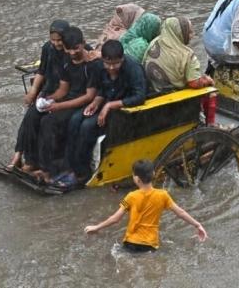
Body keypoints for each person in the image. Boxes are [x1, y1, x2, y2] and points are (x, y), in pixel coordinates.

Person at [58, 40, 147, 187]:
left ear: (122, 59)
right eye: (108, 64)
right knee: (75, 120)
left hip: (123, 110)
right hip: (106, 102)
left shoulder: (133, 68)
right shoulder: (99, 66)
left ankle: (83, 173)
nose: (111, 68)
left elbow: (140, 96)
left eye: (116, 64)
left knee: (87, 126)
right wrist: (96, 103)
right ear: (103, 60)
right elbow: (101, 89)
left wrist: (110, 106)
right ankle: (70, 166)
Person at [84, 159, 208, 252]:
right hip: (150, 246)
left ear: (137, 179)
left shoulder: (129, 197)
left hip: (130, 244)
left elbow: (115, 218)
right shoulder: (163, 195)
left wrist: (97, 227)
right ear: (154, 174)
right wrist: (198, 225)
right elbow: (180, 212)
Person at [34, 26, 102, 183]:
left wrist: (59, 107)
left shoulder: (91, 64)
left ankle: (49, 170)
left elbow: (88, 96)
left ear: (83, 44)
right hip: (69, 99)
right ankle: (40, 163)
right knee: (39, 116)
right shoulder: (66, 60)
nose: (72, 53)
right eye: (68, 49)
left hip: (82, 103)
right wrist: (49, 99)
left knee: (48, 122)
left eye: (76, 49)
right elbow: (63, 88)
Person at [9, 20, 69, 170]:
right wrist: (33, 91)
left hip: (66, 97)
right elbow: (41, 71)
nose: (56, 44)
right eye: (53, 40)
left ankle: (42, 165)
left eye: (59, 40)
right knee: (30, 117)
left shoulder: (72, 51)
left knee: (46, 123)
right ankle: (23, 157)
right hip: (49, 92)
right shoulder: (48, 49)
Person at [143, 16, 214, 92]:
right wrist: (208, 80)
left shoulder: (154, 43)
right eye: (189, 32)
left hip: (149, 90)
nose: (192, 36)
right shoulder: (187, 55)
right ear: (180, 33)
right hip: (172, 94)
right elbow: (194, 83)